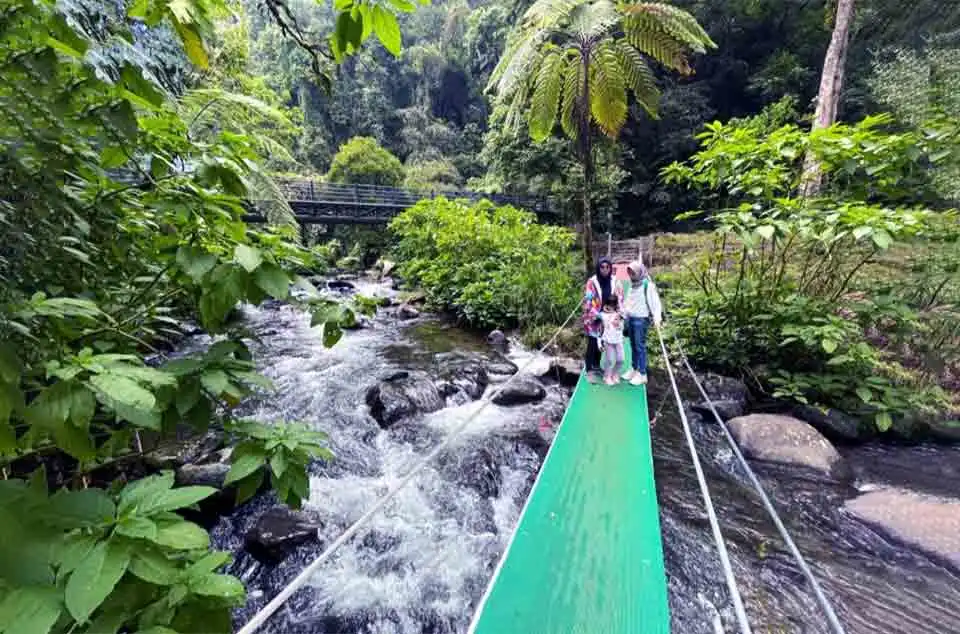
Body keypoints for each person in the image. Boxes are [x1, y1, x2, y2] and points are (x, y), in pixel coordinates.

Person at [582, 257, 623, 383]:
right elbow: (588, 300)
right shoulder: (592, 282)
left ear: (610, 268)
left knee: (602, 342)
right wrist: (596, 314)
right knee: (592, 343)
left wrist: (618, 314)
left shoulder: (615, 281)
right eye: (602, 267)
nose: (605, 269)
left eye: (607, 267)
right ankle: (589, 370)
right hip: (594, 318)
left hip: (609, 317)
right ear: (598, 268)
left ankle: (596, 366)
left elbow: (620, 298)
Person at [623, 260, 663, 385]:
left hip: (641, 320)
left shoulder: (647, 285)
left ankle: (642, 373)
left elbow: (655, 303)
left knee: (640, 346)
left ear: (639, 272)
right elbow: (628, 302)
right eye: (630, 272)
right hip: (631, 318)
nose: (631, 275)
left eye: (633, 272)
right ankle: (634, 368)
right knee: (633, 345)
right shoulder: (632, 285)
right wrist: (623, 314)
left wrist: (657, 318)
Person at [599, 296, 625, 386]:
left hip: (618, 340)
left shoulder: (619, 314)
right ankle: (607, 376)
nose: (611, 307)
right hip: (608, 340)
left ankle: (614, 374)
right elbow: (595, 318)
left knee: (621, 359)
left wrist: (618, 323)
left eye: (613, 305)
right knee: (609, 360)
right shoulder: (603, 315)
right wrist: (600, 343)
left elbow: (622, 324)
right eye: (609, 305)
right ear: (606, 305)